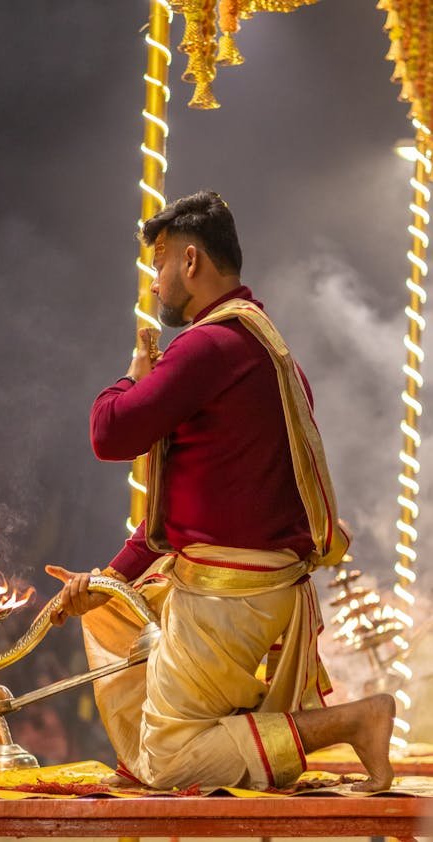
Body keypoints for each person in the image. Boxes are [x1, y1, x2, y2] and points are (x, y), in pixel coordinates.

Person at [46, 190, 395, 793]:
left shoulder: (212, 347)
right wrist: (110, 580)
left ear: (189, 261)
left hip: (228, 595)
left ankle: (356, 721)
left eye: (158, 265)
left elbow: (111, 433)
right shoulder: (263, 345)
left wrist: (133, 376)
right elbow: (190, 502)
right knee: (117, 633)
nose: (154, 284)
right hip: (232, 585)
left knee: (170, 761)